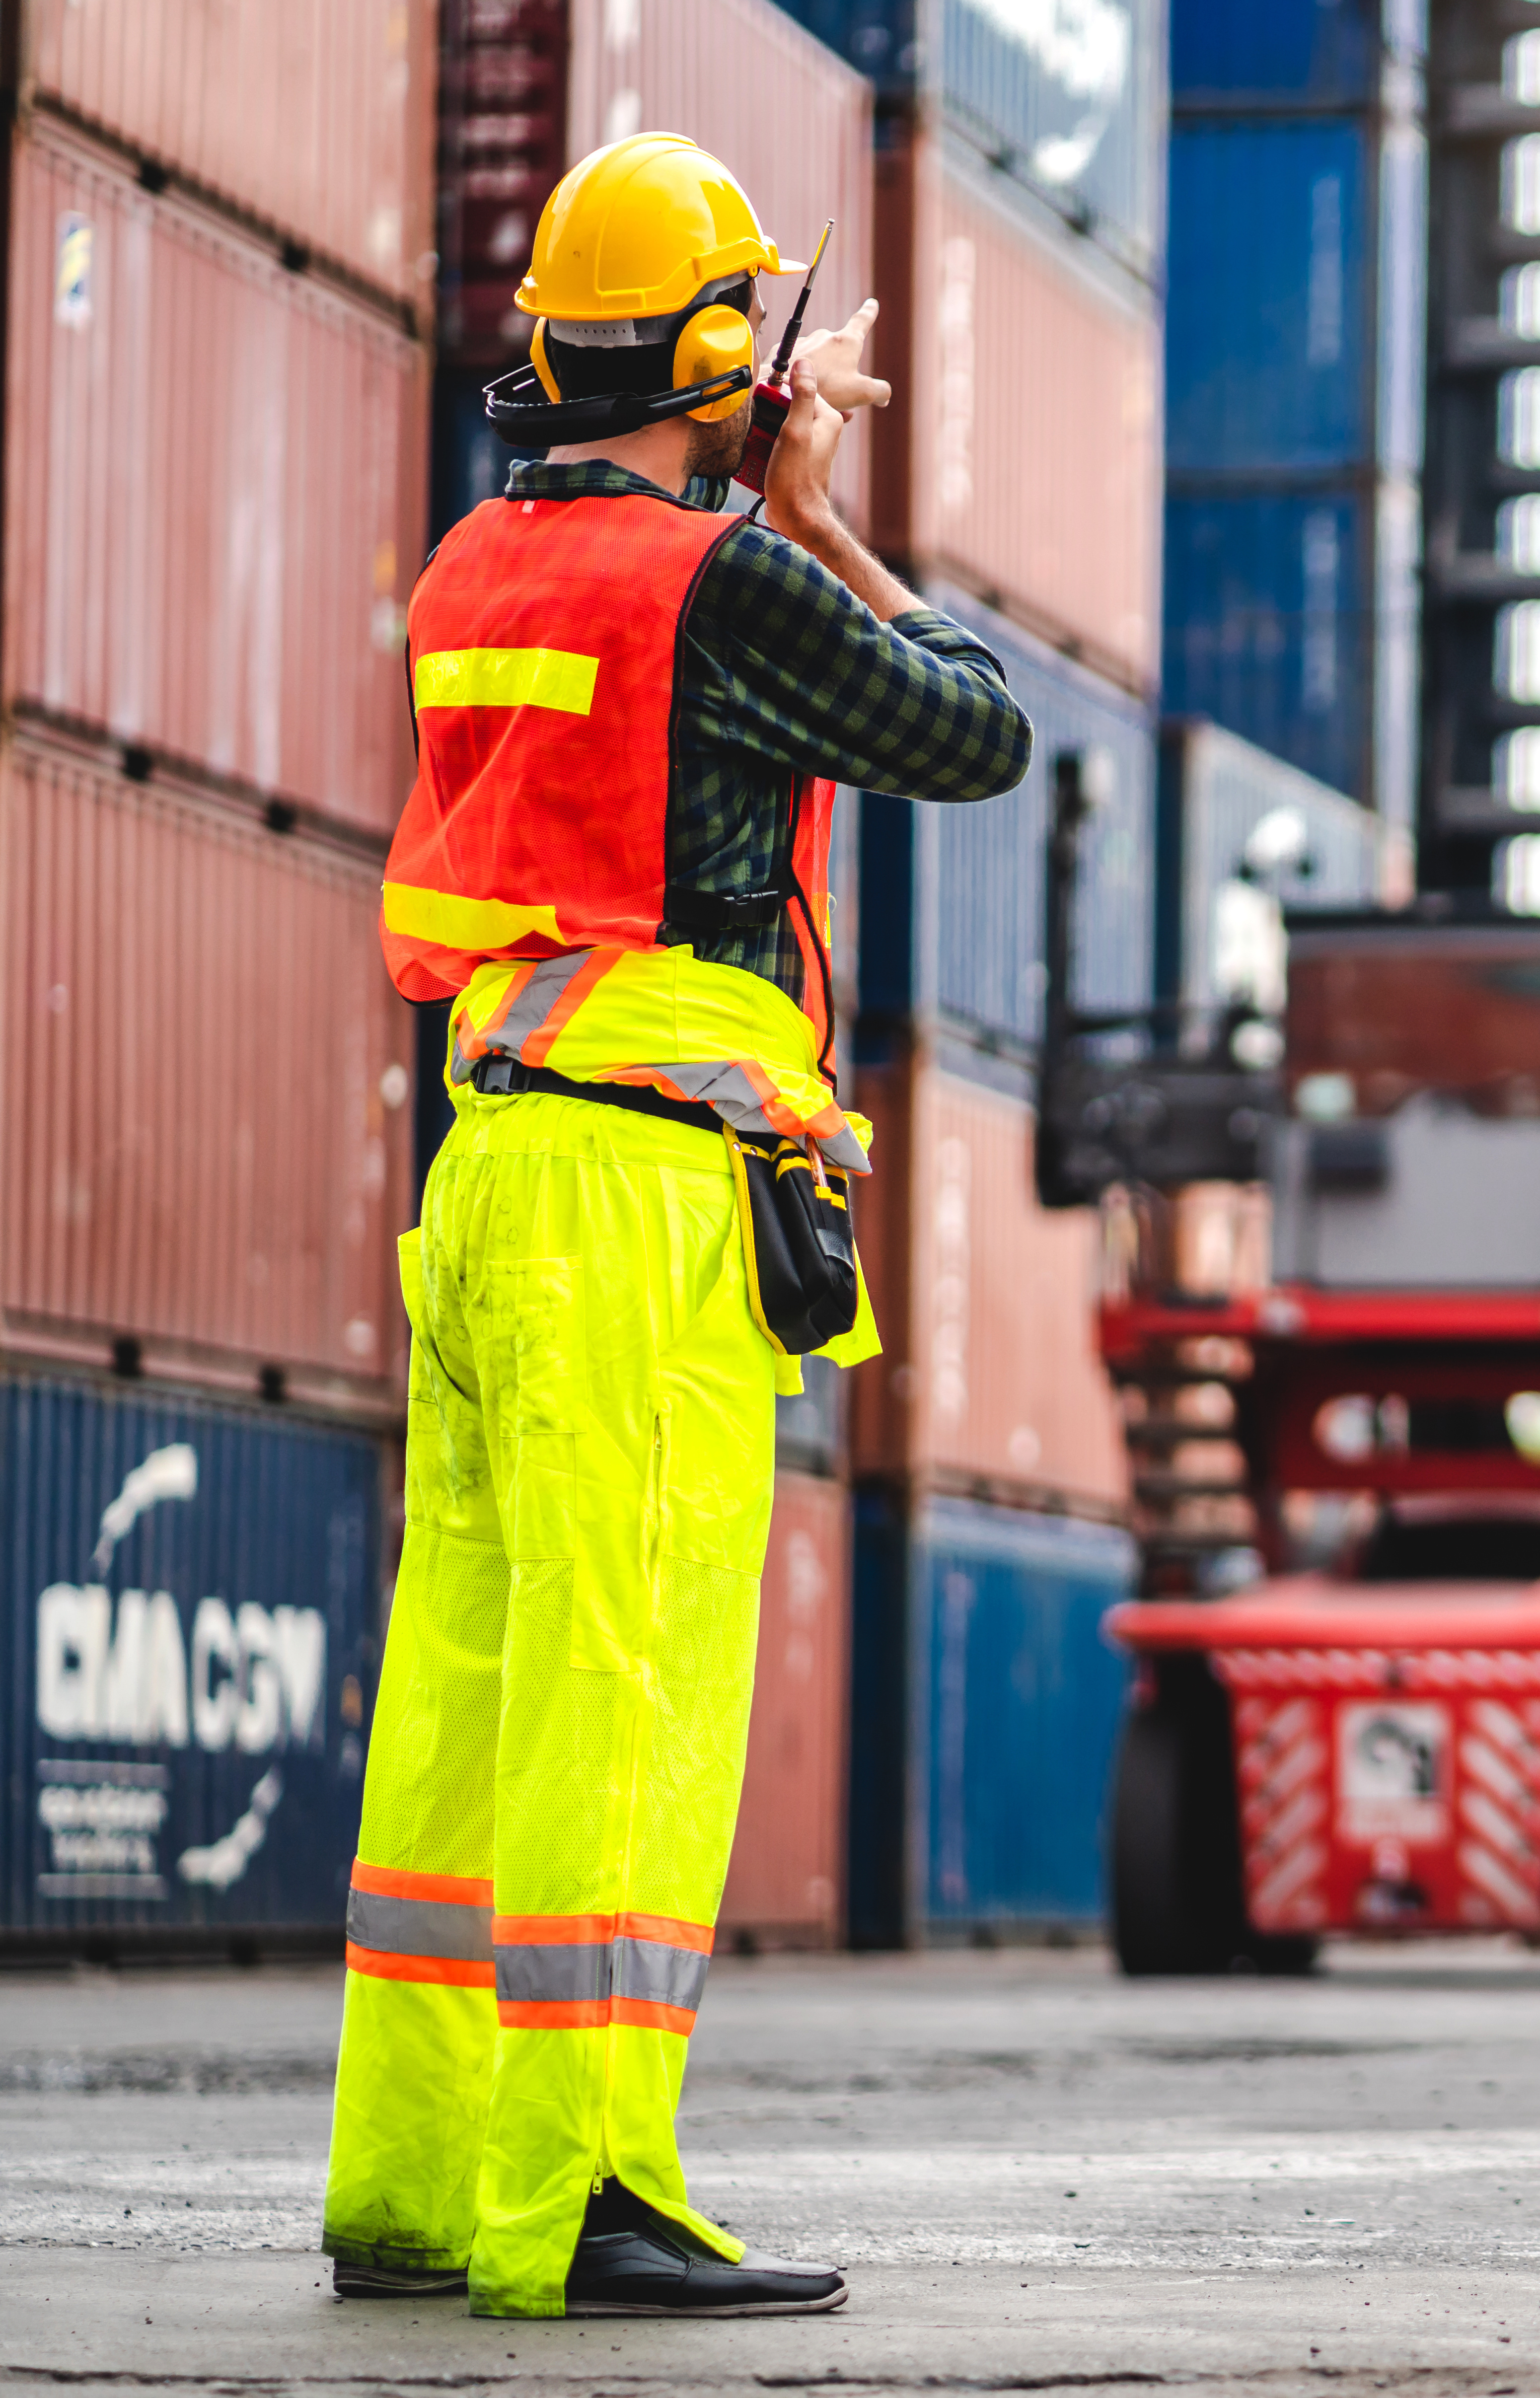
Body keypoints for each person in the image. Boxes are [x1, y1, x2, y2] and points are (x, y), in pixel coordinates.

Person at [319, 131, 1035, 2321]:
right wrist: (819, 514)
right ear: (732, 356)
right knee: (625, 1684)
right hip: (639, 1193)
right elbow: (979, 736)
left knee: (465, 1683)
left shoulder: (472, 566)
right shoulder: (722, 580)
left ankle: (418, 2187)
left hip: (487, 1169)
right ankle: (586, 2190)